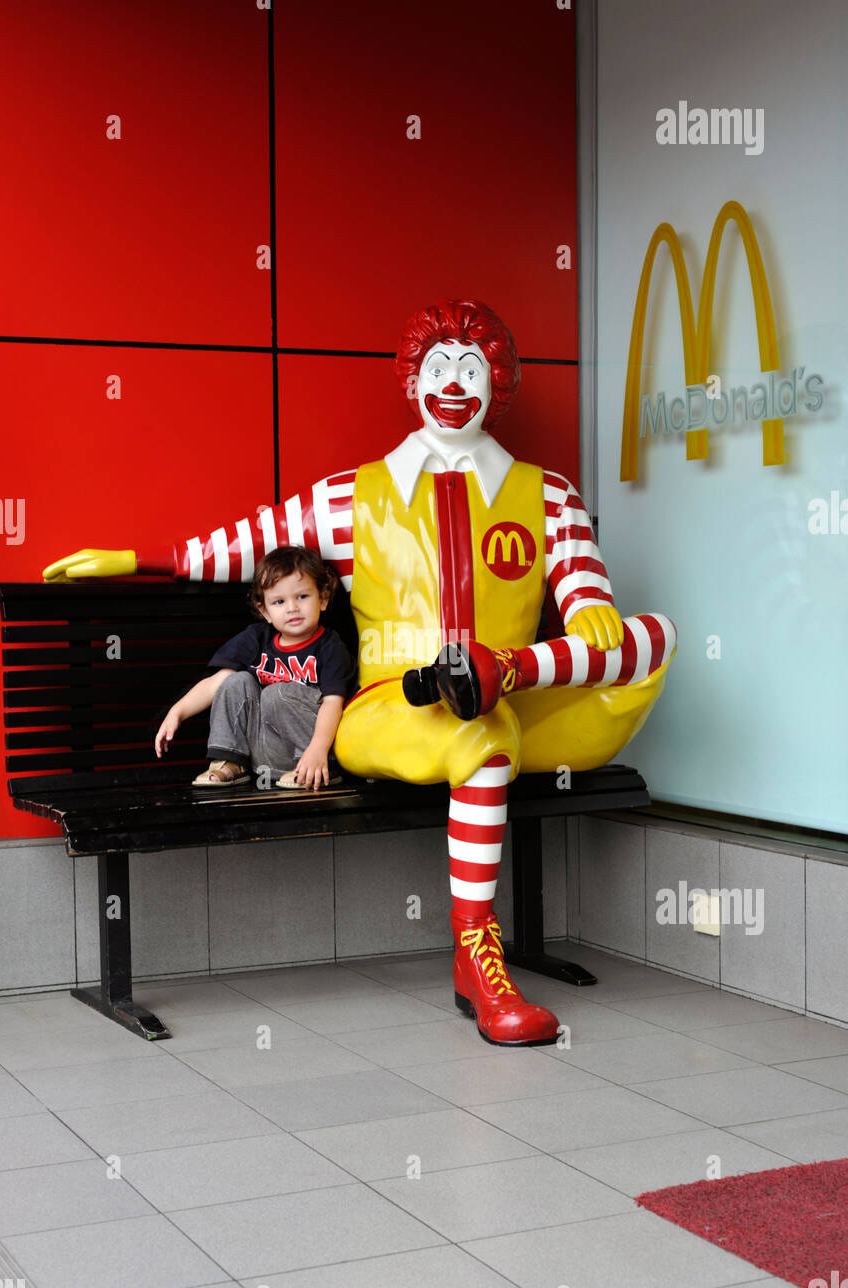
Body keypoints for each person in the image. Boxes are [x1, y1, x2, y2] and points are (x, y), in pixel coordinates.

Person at [43, 298, 677, 1048]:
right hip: (387, 712)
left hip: (522, 699)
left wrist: (590, 608)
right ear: (413, 381)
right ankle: (478, 953)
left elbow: (585, 590)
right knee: (480, 733)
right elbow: (252, 542)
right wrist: (140, 559)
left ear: (496, 386)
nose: (454, 382)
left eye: (472, 369)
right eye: (439, 366)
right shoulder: (352, 495)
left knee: (658, 638)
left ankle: (498, 668)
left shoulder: (549, 495)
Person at [154, 545, 353, 790]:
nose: (292, 608)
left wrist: (318, 749)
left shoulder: (330, 647)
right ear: (264, 611)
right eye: (279, 601)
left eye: (302, 596)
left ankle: (315, 768)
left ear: (322, 599)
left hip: (314, 752)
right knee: (234, 680)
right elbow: (217, 682)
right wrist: (177, 711)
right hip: (265, 754)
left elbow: (334, 703)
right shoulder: (257, 639)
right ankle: (231, 763)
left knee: (276, 692)